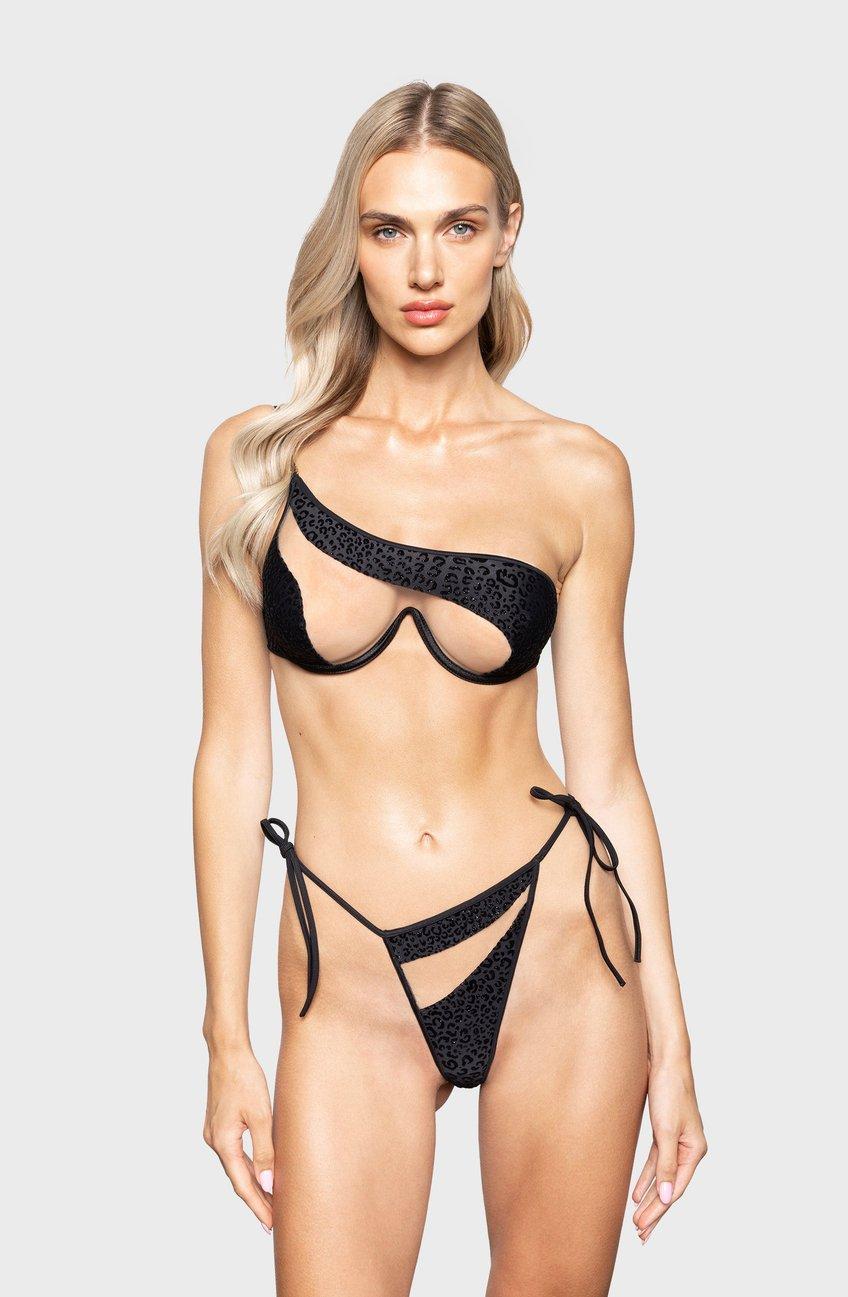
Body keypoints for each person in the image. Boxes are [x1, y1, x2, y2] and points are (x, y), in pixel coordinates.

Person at [194, 79, 706, 1296]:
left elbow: (610, 772)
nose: (426, 267)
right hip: (349, 966)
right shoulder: (256, 461)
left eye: (459, 226)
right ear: (353, 241)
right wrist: (225, 1035)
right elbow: (231, 758)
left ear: (507, 231)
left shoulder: (579, 472)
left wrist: (676, 1038)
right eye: (390, 229)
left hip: (559, 946)